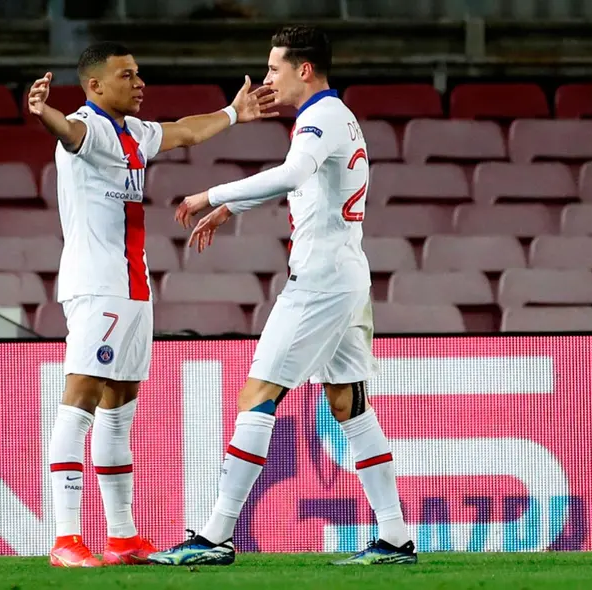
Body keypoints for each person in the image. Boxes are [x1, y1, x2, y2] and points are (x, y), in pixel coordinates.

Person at [147, 25, 416, 567]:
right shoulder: (333, 116)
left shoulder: (318, 118)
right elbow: (311, 184)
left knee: (257, 395)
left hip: (319, 280)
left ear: (305, 70)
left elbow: (295, 172)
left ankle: (215, 534)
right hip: (346, 273)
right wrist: (233, 210)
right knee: (347, 402)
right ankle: (394, 537)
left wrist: (210, 194)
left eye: (274, 68)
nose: (267, 77)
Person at [28, 41, 277, 568]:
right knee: (79, 403)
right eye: (127, 75)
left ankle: (122, 538)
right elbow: (66, 133)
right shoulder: (86, 126)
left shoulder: (136, 133)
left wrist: (236, 112)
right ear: (95, 85)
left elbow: (186, 130)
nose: (139, 83)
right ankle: (65, 539)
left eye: (139, 74)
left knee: (119, 413)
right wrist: (43, 111)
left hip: (134, 288)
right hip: (97, 287)